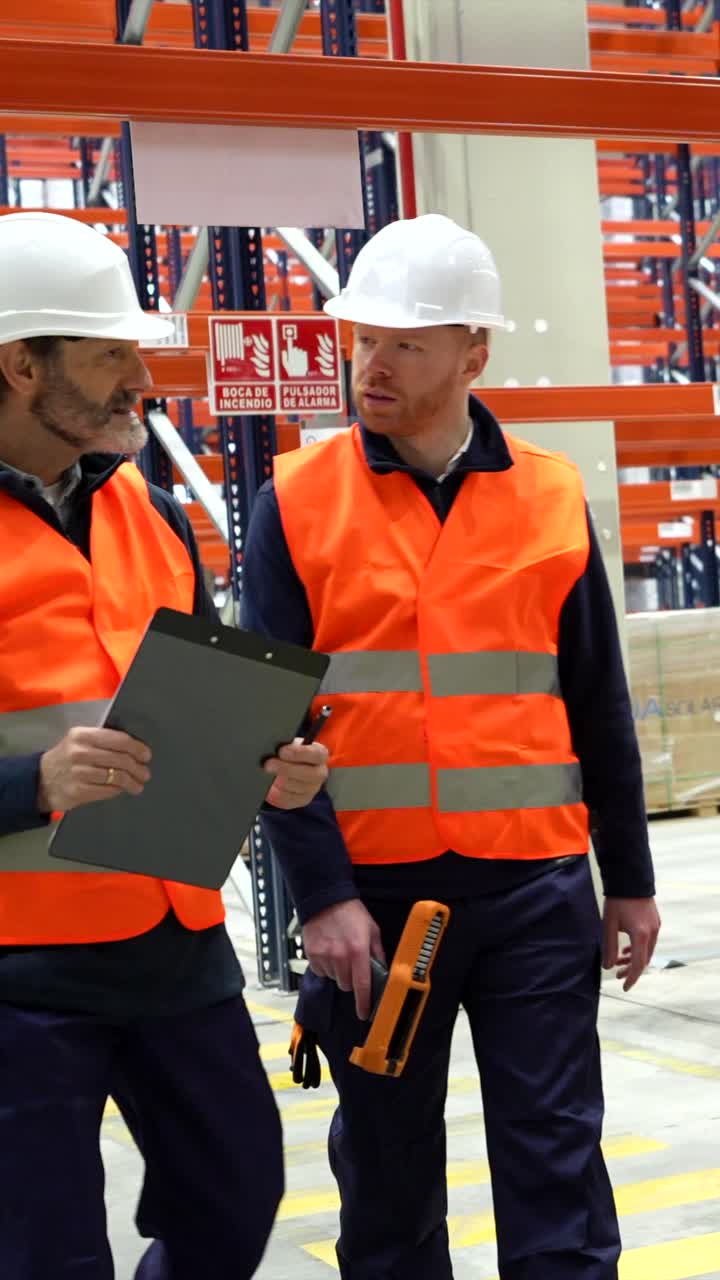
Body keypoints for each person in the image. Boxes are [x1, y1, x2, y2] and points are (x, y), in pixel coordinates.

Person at [242, 213, 661, 1280]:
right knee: (385, 1185)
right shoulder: (295, 500)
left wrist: (632, 881)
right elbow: (264, 728)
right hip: (373, 909)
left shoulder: (552, 493)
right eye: (361, 338)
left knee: (555, 1167)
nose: (370, 365)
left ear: (476, 350)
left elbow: (597, 700)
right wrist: (321, 896)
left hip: (535, 892)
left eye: (405, 344)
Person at [0, 211, 330, 1280]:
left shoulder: (150, 515)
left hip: (169, 930)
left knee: (235, 1194)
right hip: (21, 958)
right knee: (44, 1248)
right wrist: (31, 779)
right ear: (19, 365)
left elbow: (193, 704)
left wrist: (269, 763)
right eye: (110, 354)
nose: (141, 375)